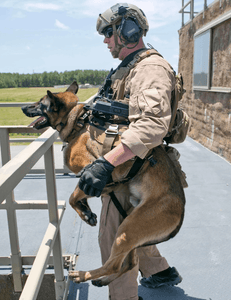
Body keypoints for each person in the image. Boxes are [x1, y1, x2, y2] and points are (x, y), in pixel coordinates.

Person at [78, 3, 183, 300]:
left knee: (114, 240)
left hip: (133, 169)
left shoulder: (150, 69)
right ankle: (159, 271)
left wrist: (104, 165)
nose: (105, 40)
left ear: (129, 31)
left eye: (109, 33)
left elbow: (151, 126)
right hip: (129, 167)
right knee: (131, 222)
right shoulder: (130, 67)